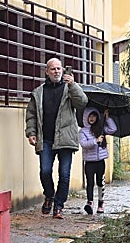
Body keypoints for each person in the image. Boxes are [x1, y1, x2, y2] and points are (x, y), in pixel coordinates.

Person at [25, 58, 87, 219]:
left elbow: (82, 103)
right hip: (45, 138)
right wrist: (31, 132)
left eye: (59, 68)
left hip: (66, 139)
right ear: (47, 71)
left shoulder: (69, 88)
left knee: (64, 174)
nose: (56, 71)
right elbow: (31, 115)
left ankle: (59, 206)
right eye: (53, 69)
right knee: (45, 171)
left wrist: (73, 85)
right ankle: (49, 195)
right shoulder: (39, 92)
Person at [79, 106, 117, 215]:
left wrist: (107, 118)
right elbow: (84, 144)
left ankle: (101, 202)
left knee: (100, 182)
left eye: (94, 116)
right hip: (89, 162)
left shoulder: (101, 128)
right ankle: (90, 202)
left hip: (100, 161)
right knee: (90, 182)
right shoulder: (83, 131)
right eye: (90, 116)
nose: (92, 118)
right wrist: (95, 141)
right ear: (86, 117)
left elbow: (113, 129)